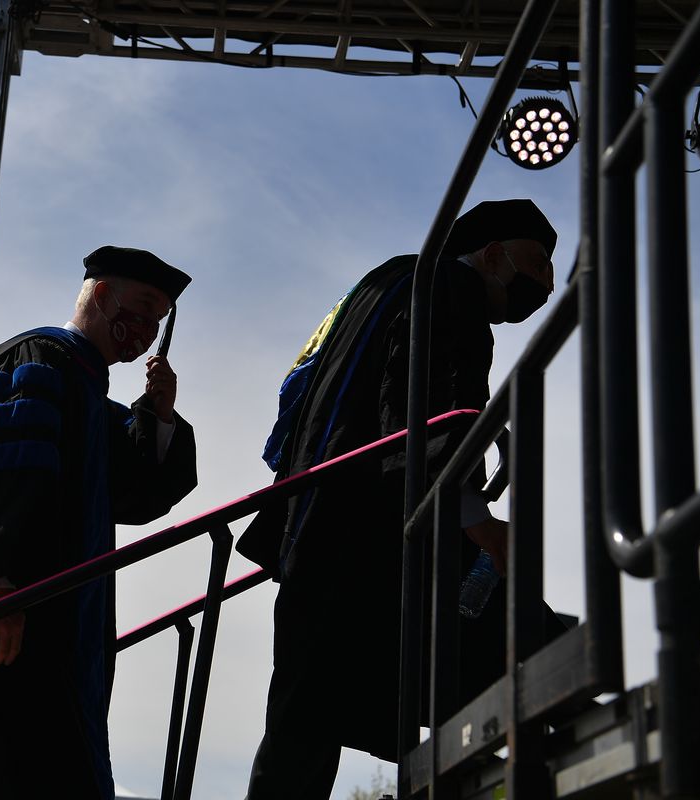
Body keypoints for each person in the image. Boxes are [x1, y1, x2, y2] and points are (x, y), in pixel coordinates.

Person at [237, 199, 566, 798]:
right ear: (492, 256)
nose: (546, 282)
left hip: (317, 520)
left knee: (303, 721)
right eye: (538, 263)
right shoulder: (451, 288)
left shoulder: (381, 285)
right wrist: (474, 515)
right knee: (518, 637)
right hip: (376, 525)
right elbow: (421, 398)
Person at [0, 245, 198, 799]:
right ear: (102, 294)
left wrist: (161, 413)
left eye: (159, 320)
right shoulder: (37, 360)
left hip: (53, 633)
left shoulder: (84, 390)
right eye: (144, 307)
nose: (147, 328)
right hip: (1, 624)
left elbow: (136, 495)